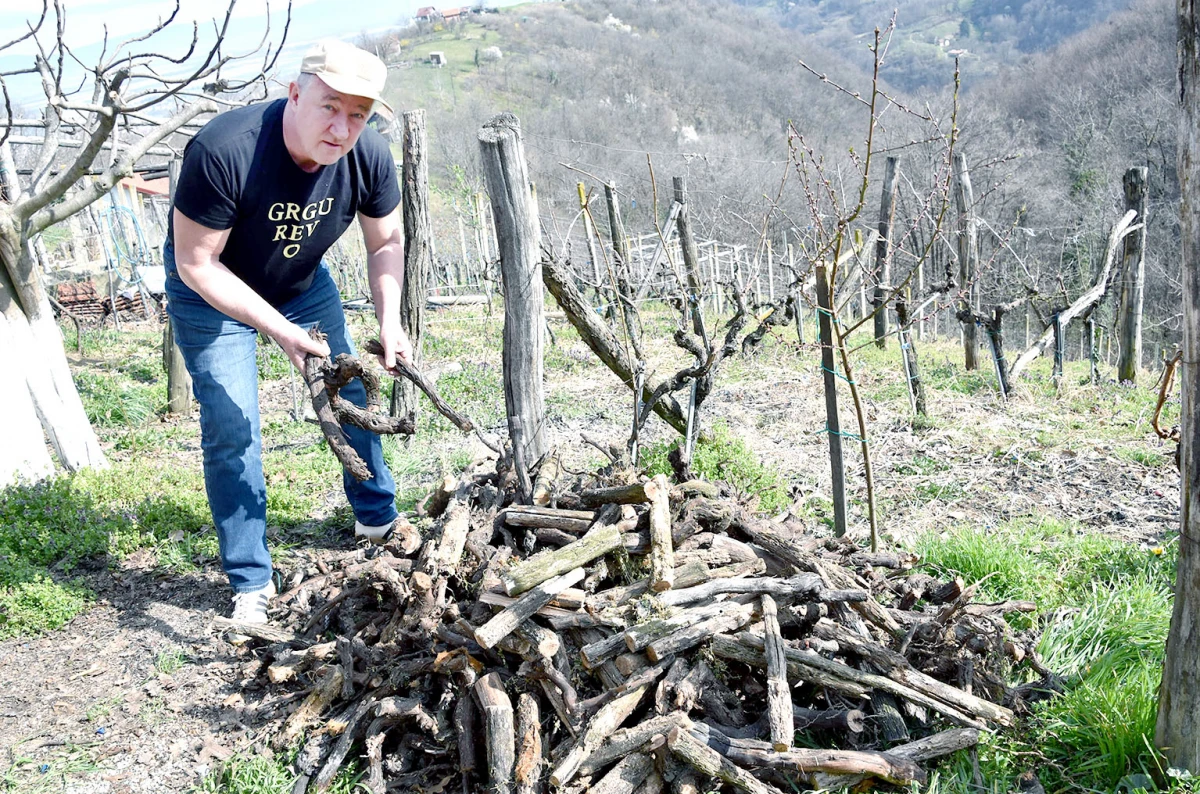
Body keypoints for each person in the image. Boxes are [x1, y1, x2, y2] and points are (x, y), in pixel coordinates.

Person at [163, 39, 412, 625]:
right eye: (330, 106)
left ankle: (376, 517)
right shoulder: (226, 151)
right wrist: (280, 332)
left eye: (358, 114)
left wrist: (391, 321)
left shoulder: (368, 156)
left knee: (352, 390)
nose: (342, 127)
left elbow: (385, 244)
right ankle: (250, 578)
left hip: (300, 284)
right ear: (295, 93)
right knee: (234, 424)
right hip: (212, 292)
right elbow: (196, 264)